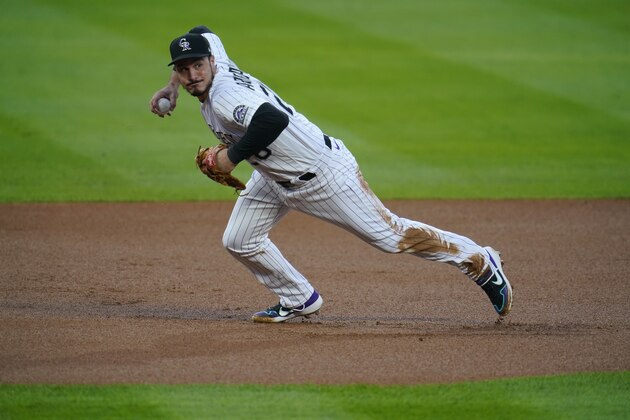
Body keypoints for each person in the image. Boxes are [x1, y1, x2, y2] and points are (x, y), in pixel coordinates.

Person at [150, 25, 513, 323]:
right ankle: (298, 299)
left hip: (323, 174)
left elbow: (271, 120)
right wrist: (173, 86)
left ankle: (478, 260)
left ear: (211, 62)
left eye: (197, 66)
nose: (192, 74)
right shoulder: (216, 62)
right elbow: (203, 31)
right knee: (239, 239)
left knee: (390, 236)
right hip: (274, 176)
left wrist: (231, 158)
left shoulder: (226, 94)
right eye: (184, 69)